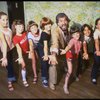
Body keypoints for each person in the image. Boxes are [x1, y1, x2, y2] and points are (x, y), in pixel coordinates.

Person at [49, 13, 71, 90]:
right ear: (57, 23)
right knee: (53, 63)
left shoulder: (67, 28)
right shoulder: (55, 31)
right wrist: (54, 55)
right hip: (55, 49)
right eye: (61, 21)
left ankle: (67, 69)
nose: (63, 22)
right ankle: (52, 82)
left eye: (65, 20)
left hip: (64, 49)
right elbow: (55, 43)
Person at [60, 25, 82, 94]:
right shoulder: (72, 40)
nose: (77, 35)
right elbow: (69, 46)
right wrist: (65, 50)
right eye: (74, 34)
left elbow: (78, 49)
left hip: (76, 56)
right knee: (70, 71)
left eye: (77, 33)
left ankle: (74, 75)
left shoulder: (80, 41)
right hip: (70, 56)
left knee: (75, 66)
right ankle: (65, 85)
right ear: (72, 35)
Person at [0, 11, 16, 91]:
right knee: (9, 66)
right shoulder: (0, 31)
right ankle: (10, 81)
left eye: (6, 19)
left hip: (11, 49)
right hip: (5, 51)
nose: (6, 21)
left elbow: (10, 38)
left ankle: (12, 75)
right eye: (3, 20)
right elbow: (4, 43)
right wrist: (4, 57)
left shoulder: (7, 27)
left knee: (12, 64)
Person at [37, 17, 53, 87]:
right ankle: (44, 79)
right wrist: (46, 55)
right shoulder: (44, 34)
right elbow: (45, 46)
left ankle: (46, 70)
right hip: (41, 47)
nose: (48, 26)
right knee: (44, 62)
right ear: (43, 26)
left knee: (47, 62)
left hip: (45, 46)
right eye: (46, 25)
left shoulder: (50, 30)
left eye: (49, 24)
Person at [12, 20, 29, 87]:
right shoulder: (15, 38)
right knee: (23, 66)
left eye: (22, 26)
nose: (21, 28)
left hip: (27, 52)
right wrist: (20, 57)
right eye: (19, 26)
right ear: (15, 27)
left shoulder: (25, 33)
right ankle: (24, 79)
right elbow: (18, 48)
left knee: (29, 64)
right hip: (21, 54)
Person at [91, 18, 100, 85]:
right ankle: (93, 77)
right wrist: (98, 51)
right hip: (97, 49)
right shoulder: (96, 32)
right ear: (96, 26)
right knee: (96, 63)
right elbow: (96, 42)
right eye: (99, 24)